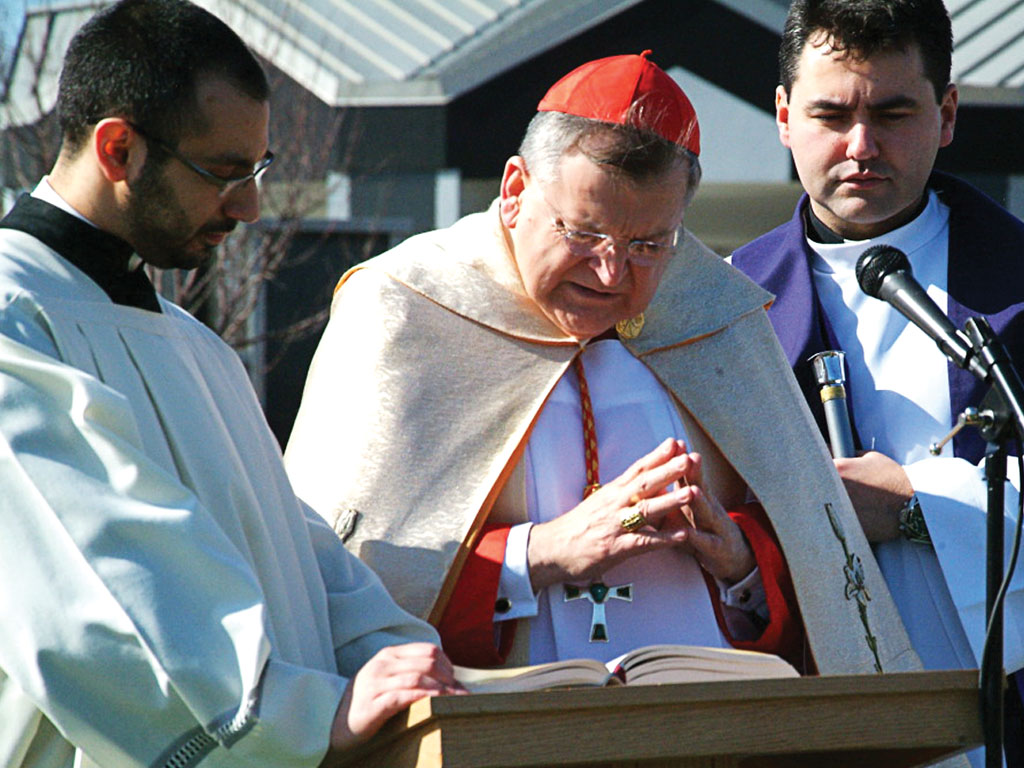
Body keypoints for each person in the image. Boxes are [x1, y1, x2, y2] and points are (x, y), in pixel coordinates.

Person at [284, 52, 917, 678]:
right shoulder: (406, 308)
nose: (612, 273)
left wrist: (742, 561)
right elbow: (337, 577)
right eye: (583, 234)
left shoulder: (718, 315)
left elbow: (814, 568)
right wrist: (542, 554)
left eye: (648, 244)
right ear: (514, 192)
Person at [0, 1, 462, 766]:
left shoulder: (195, 346)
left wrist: (394, 656)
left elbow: (292, 548)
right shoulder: (15, 320)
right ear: (119, 148)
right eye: (223, 172)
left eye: (259, 170)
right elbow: (91, 582)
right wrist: (299, 715)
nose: (249, 205)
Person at [729, 1, 1024, 764]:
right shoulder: (724, 302)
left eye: (893, 112)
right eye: (831, 114)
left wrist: (916, 506)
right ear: (784, 117)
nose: (862, 146)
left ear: (947, 113)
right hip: (806, 713)